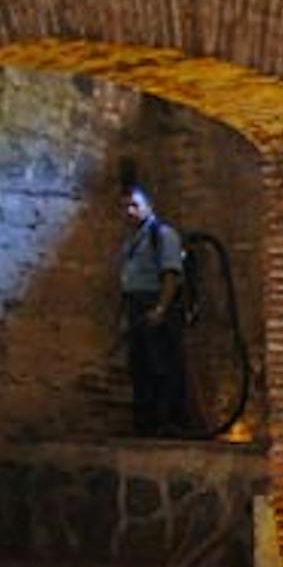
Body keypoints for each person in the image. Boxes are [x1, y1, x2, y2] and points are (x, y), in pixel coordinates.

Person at [117, 185, 191, 435]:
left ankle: (170, 423)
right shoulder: (131, 242)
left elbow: (171, 273)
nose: (130, 211)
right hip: (137, 306)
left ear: (148, 206)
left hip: (157, 306)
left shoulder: (163, 235)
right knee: (141, 367)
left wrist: (161, 308)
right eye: (125, 206)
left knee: (164, 366)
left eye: (135, 205)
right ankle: (145, 425)